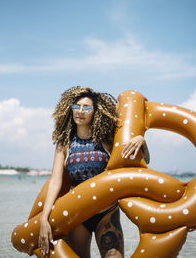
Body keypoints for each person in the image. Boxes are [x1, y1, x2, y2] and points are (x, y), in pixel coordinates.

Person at [38, 86, 150, 258]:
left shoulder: (107, 140)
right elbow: (55, 181)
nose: (80, 111)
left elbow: (144, 162)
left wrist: (141, 141)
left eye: (87, 108)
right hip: (77, 216)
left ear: (95, 112)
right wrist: (44, 219)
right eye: (77, 107)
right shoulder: (64, 144)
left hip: (106, 214)